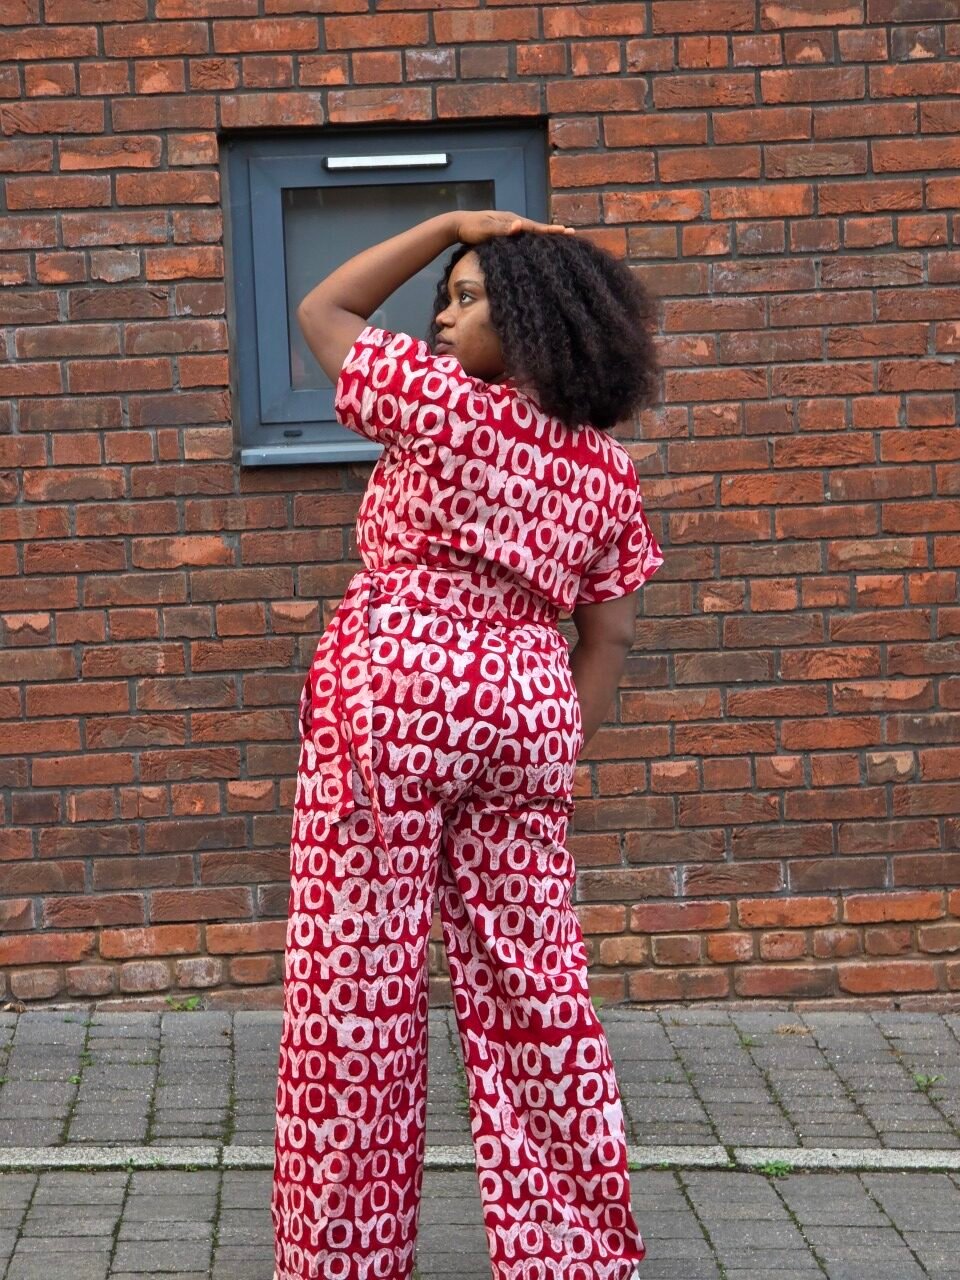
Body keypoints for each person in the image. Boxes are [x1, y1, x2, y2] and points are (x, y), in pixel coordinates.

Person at [272, 209, 665, 1280]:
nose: (442, 320)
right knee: (538, 988)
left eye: (468, 297)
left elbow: (323, 307)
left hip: (397, 692)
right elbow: (611, 635)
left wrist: (448, 221)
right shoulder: (607, 470)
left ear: (531, 318)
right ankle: (574, 1254)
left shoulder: (442, 405)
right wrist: (556, 750)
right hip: (531, 709)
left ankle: (342, 1259)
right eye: (446, 297)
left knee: (359, 988)